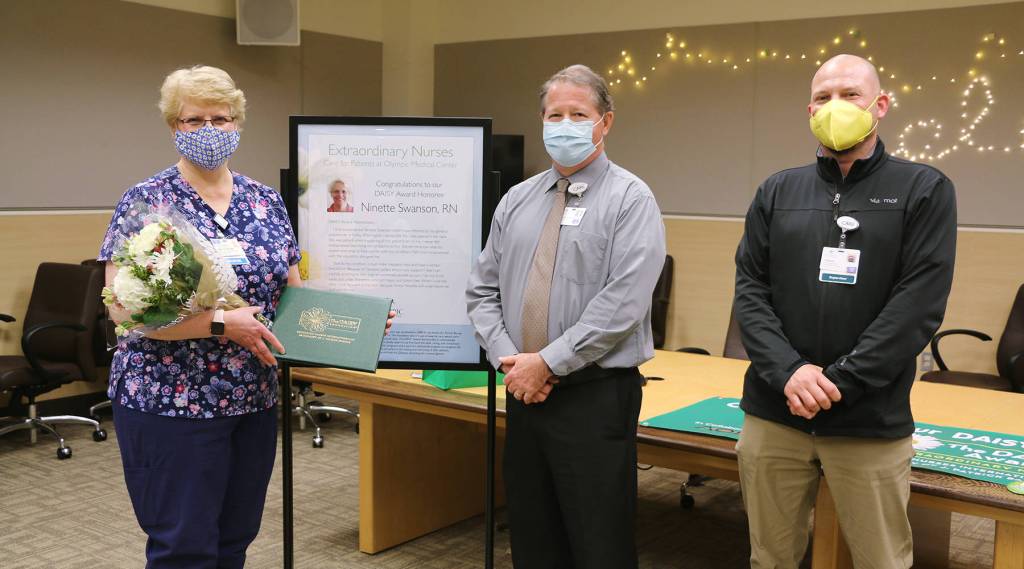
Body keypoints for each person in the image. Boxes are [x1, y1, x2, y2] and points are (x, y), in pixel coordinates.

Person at [733, 54, 957, 569]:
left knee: (882, 559)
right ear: (809, 109)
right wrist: (789, 372)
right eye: (824, 96)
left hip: (868, 416)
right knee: (769, 557)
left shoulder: (923, 189)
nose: (836, 105)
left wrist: (840, 382)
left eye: (850, 94)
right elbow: (750, 289)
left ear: (880, 105)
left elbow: (918, 303)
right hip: (775, 412)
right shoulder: (777, 191)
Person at [99, 65, 300, 569]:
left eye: (221, 118)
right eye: (194, 120)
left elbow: (295, 295)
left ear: (237, 124)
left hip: (252, 400)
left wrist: (355, 324)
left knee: (234, 540)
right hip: (171, 401)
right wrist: (219, 323)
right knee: (182, 547)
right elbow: (121, 309)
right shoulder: (146, 202)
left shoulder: (266, 201)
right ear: (174, 126)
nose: (209, 130)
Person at [466, 64, 666, 569]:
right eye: (555, 114)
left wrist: (548, 363)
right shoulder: (517, 199)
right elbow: (481, 289)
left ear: (606, 122)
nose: (565, 124)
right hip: (524, 393)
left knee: (598, 540)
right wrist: (510, 359)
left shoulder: (630, 199)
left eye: (579, 114)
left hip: (594, 396)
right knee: (533, 535)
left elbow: (624, 303)